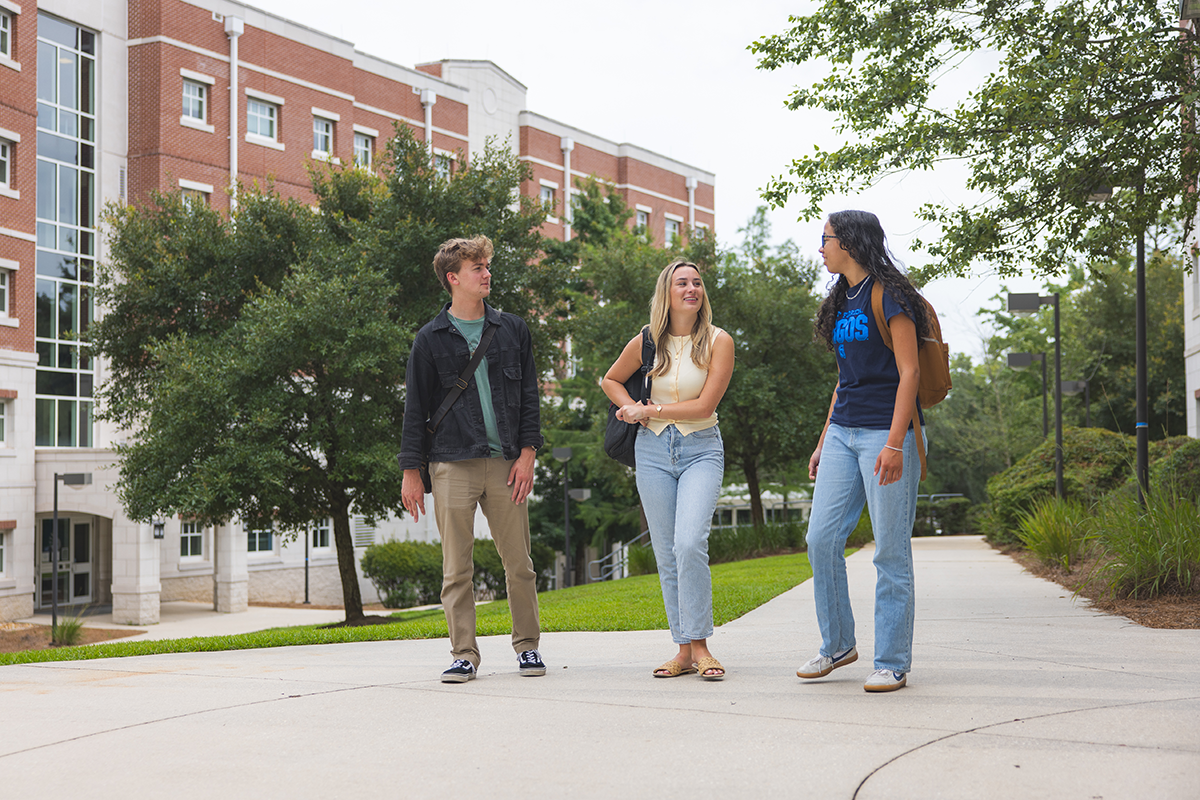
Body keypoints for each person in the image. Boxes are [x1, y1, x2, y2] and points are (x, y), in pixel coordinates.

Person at [399, 235, 545, 684]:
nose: (486, 273)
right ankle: (464, 654)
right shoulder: (430, 339)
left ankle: (527, 648)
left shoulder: (513, 329)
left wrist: (527, 454)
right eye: (476, 267)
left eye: (487, 265)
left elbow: (529, 397)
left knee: (519, 563)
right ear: (453, 278)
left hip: (506, 464)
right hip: (451, 463)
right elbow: (415, 407)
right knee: (456, 567)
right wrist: (412, 472)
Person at [797, 210, 930, 693]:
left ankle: (892, 660)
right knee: (821, 539)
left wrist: (895, 443)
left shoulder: (891, 295)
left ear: (849, 242)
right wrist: (822, 440)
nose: (821, 248)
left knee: (889, 551)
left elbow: (909, 372)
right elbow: (843, 379)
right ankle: (838, 644)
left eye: (826, 238)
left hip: (885, 432)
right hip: (843, 431)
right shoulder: (840, 299)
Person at [602, 259, 734, 680]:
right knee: (665, 552)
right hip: (653, 451)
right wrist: (627, 406)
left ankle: (702, 647)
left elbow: (704, 406)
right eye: (682, 283)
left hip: (700, 449)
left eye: (697, 282)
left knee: (689, 542)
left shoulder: (718, 341)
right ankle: (683, 650)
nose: (691, 288)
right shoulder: (645, 341)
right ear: (667, 292)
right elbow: (610, 380)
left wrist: (650, 409)